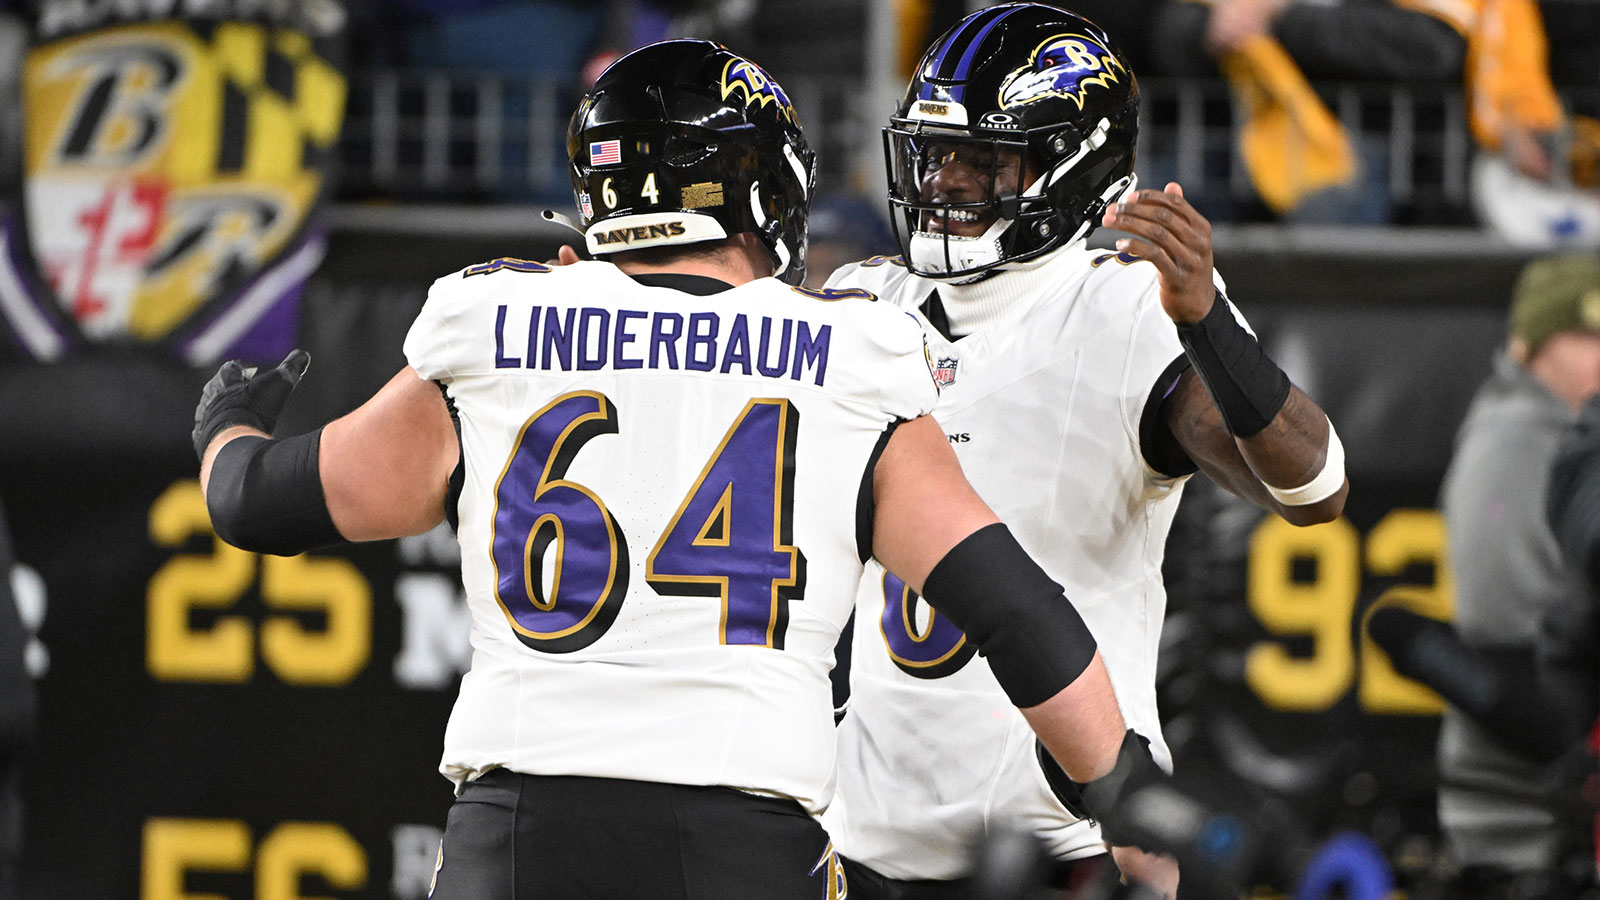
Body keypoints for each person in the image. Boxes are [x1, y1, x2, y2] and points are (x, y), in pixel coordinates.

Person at [191, 40, 1171, 900]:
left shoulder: (496, 322)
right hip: (739, 839)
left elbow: (256, 504)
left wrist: (227, 422)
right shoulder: (848, 351)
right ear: (758, 188)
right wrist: (1125, 798)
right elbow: (1014, 612)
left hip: (518, 831)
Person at [820, 6, 1348, 898]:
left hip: (1062, 835)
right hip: (856, 836)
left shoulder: (1124, 306)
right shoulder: (858, 300)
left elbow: (1312, 487)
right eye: (937, 153)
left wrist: (1208, 324)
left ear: (1075, 168)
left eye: (984, 159)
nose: (946, 180)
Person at [1436, 253, 1600, 894]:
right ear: (1528, 345)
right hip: (1524, 817)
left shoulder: (1565, 437)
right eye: (1585, 335)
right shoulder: (1518, 442)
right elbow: (1503, 635)